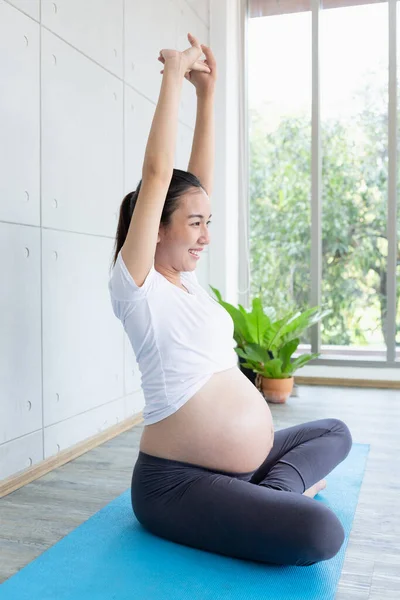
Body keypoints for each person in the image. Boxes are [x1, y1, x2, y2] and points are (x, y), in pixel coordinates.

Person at [108, 33, 353, 567]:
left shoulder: (188, 285)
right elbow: (157, 175)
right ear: (153, 229)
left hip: (247, 463)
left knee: (335, 432)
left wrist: (208, 96)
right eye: (194, 224)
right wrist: (173, 75)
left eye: (207, 223)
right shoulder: (139, 289)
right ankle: (279, 497)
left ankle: (271, 493)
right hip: (176, 483)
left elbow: (197, 183)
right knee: (320, 534)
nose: (204, 235)